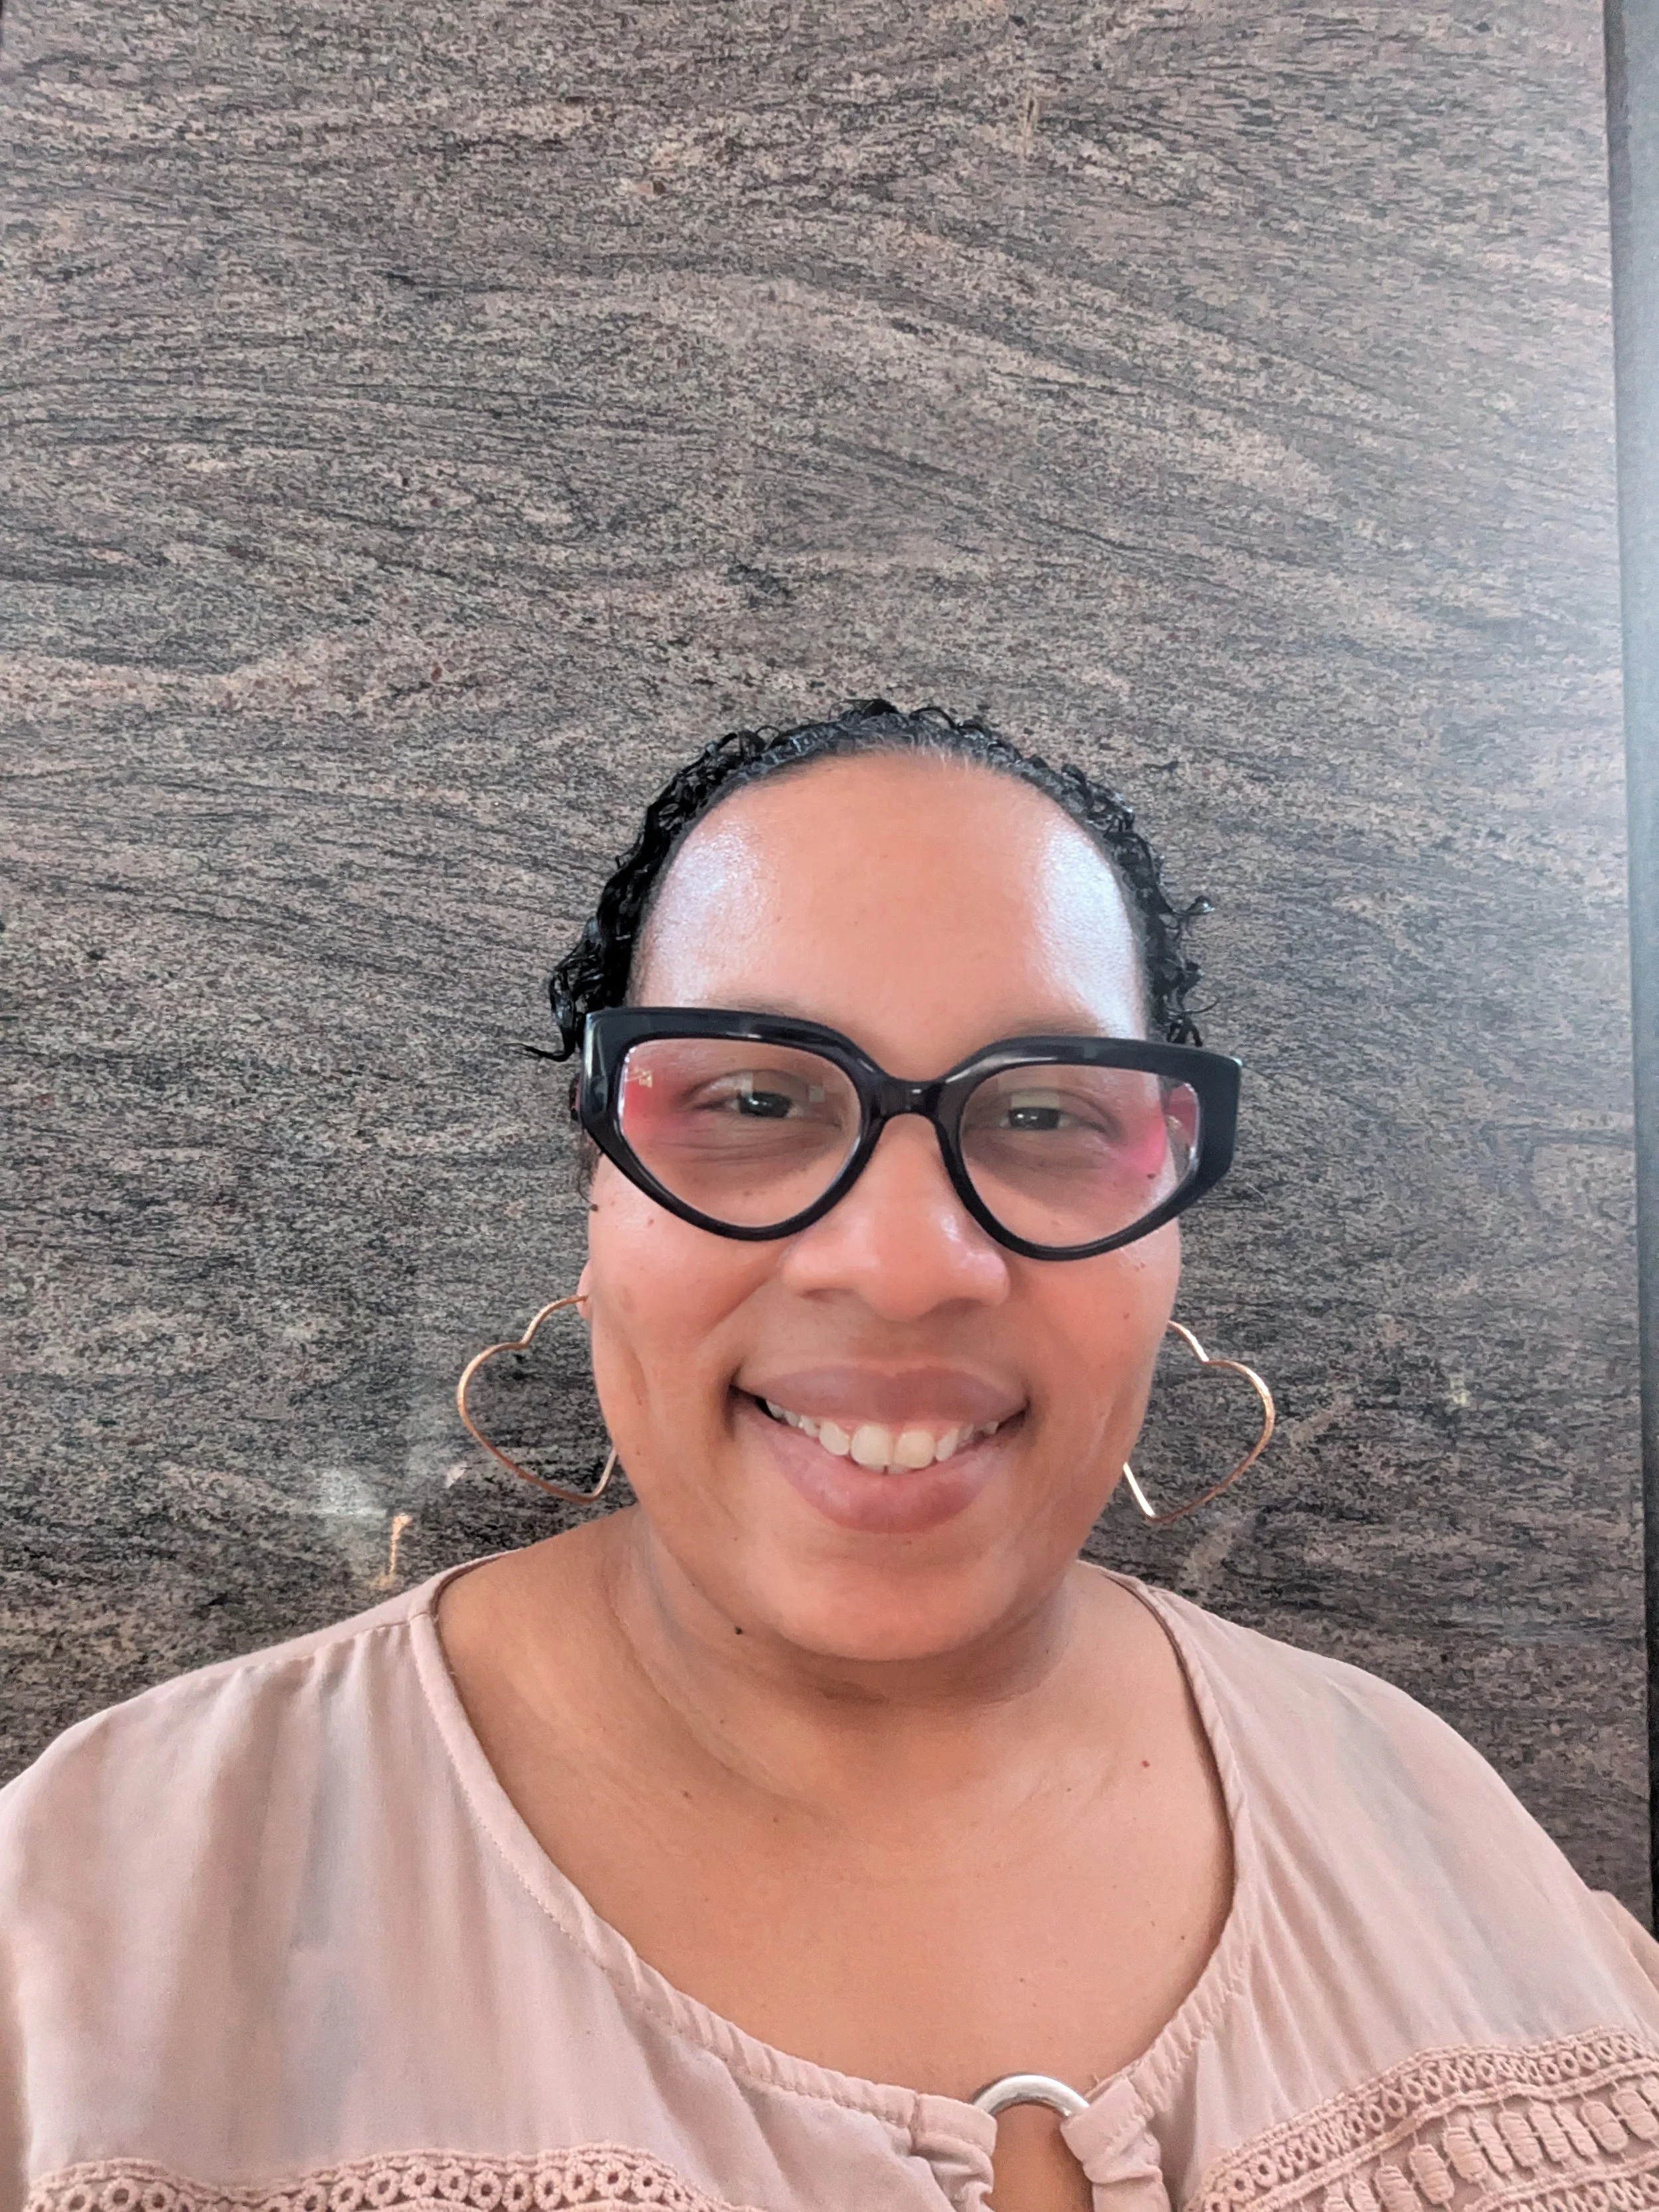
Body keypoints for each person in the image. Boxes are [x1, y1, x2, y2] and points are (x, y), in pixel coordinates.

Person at [3, 700, 1657, 2212]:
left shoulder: (1439, 1818)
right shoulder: (94, 1928)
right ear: (592, 1197)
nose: (904, 1261)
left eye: (1043, 1112)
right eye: (747, 1096)